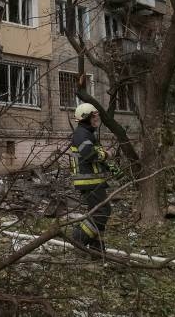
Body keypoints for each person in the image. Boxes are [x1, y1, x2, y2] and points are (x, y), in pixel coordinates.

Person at [69, 103, 115, 253]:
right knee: (101, 213)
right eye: (94, 116)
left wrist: (115, 170)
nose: (97, 118)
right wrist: (107, 154)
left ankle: (97, 250)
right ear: (86, 118)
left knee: (99, 212)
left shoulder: (88, 133)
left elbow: (98, 157)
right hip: (88, 181)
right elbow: (89, 155)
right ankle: (78, 239)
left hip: (94, 181)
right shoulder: (81, 134)